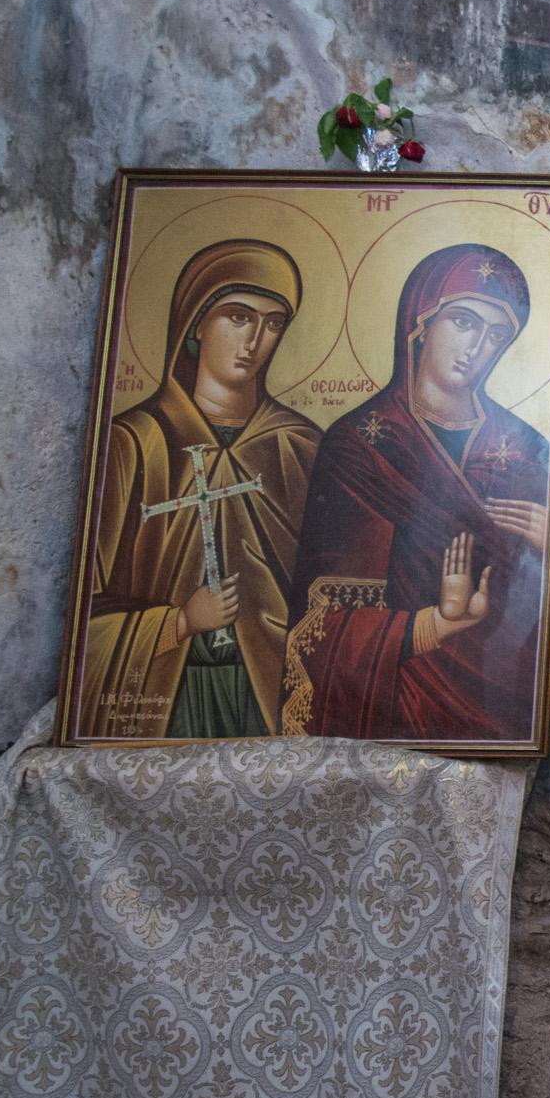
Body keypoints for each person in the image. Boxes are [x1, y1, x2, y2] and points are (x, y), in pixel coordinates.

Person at [282, 243, 550, 743]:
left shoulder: (527, 448)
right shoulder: (360, 443)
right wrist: (436, 624)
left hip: (506, 704)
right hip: (397, 698)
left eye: (496, 334)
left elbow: (545, 614)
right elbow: (324, 619)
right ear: (421, 321)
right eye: (463, 321)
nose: (476, 347)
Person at [76, 239, 319, 738]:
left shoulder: (300, 447)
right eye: (237, 316)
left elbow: (331, 586)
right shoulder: (135, 444)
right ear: (195, 324)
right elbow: (86, 615)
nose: (254, 340)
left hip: (278, 697)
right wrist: (180, 622)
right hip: (169, 695)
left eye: (273, 323)